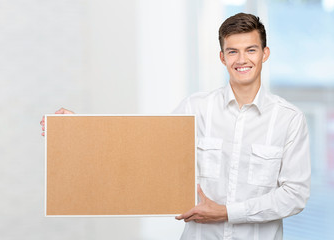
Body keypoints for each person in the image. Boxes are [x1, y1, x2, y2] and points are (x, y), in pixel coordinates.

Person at [40, 12, 310, 240]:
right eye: (233, 51)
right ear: (222, 57)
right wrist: (78, 131)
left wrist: (227, 212)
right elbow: (144, 151)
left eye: (250, 50)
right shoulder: (195, 108)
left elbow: (294, 196)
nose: (242, 60)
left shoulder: (289, 119)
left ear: (265, 54)